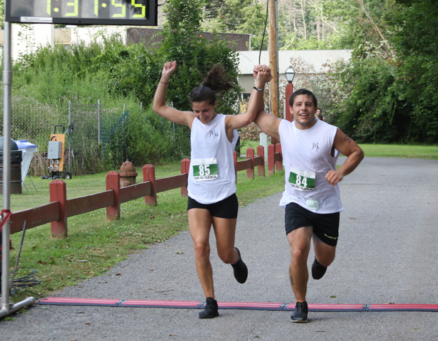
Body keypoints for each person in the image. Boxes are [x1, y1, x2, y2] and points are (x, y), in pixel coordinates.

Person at [153, 61, 272, 319]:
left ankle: (236, 260)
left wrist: (258, 85)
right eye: (196, 111)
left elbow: (250, 116)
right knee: (199, 246)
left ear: (214, 106)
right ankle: (210, 301)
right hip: (197, 195)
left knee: (224, 252)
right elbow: (158, 107)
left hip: (224, 196)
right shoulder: (191, 121)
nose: (201, 116)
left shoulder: (225, 123)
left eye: (205, 111)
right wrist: (165, 78)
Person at [254, 87, 364, 323]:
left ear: (315, 109)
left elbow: (356, 152)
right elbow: (255, 113)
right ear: (291, 109)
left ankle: (320, 262)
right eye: (298, 104)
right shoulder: (283, 128)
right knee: (297, 251)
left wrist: (341, 171)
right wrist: (259, 84)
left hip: (326, 204)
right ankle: (301, 304)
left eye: (308, 104)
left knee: (326, 258)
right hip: (297, 201)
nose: (303, 108)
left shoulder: (330, 132)